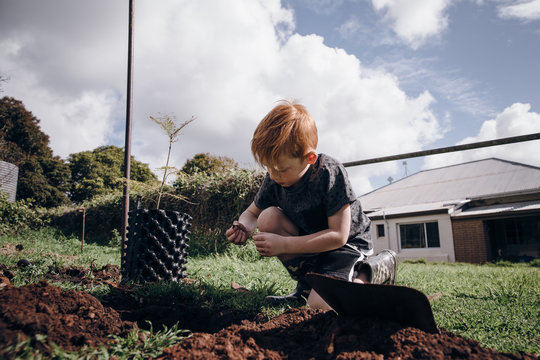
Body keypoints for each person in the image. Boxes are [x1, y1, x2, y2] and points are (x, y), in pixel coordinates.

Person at [225, 100, 396, 310]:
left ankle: (370, 273)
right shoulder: (274, 178)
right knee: (268, 217)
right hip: (312, 244)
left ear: (310, 157)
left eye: (281, 169)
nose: (274, 175)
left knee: (321, 307)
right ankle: (307, 287)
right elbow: (252, 213)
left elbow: (338, 236)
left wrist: (284, 245)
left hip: (347, 246)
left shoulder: (329, 173)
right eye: (269, 168)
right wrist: (244, 226)